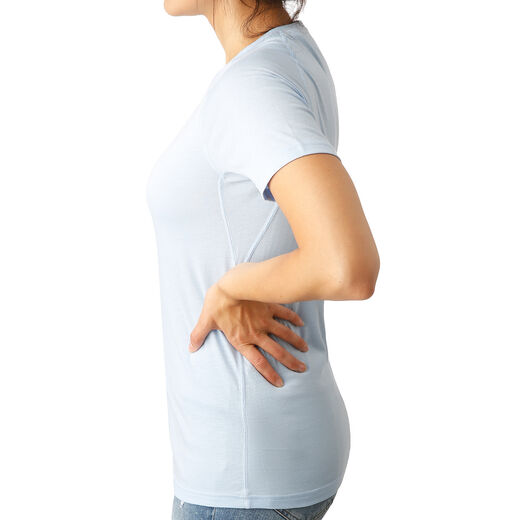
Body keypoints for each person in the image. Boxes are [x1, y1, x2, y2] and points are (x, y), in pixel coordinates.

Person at [146, 0, 380, 518]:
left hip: (241, 477)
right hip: (264, 448)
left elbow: (347, 264)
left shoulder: (250, 88)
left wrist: (232, 287)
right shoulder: (290, 51)